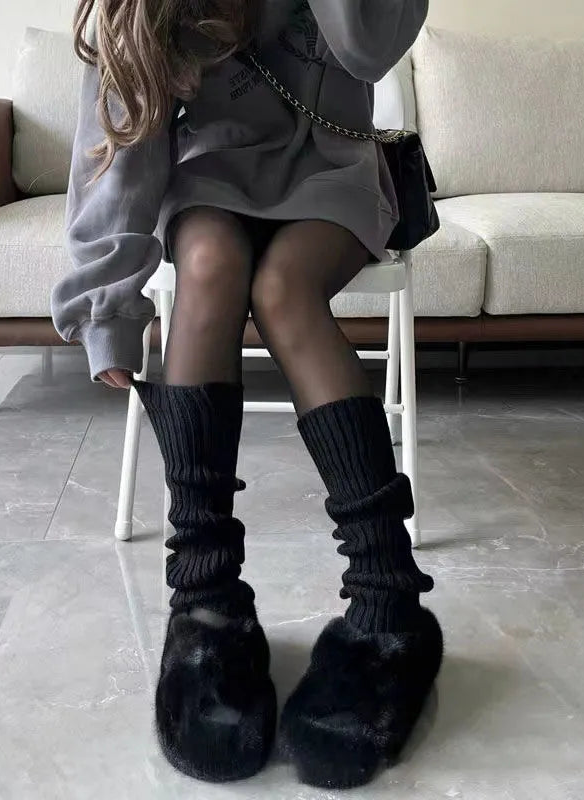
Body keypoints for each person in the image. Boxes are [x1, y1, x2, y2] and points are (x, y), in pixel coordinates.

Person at [52, 0, 442, 789]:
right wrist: (106, 305)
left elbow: (369, 49)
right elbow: (120, 128)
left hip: (334, 168)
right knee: (208, 266)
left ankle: (388, 604)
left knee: (284, 287)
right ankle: (205, 602)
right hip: (212, 170)